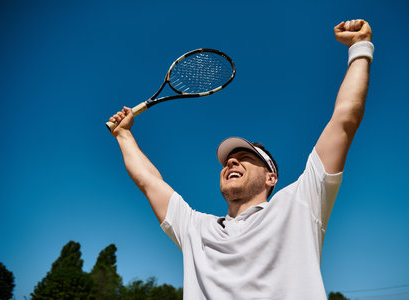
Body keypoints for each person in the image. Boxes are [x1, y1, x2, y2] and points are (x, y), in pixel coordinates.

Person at [108, 19, 373, 300]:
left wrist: (359, 47)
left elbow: (345, 120)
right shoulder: (196, 229)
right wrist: (123, 135)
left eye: (245, 157)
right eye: (227, 161)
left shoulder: (299, 204)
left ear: (272, 177)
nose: (231, 163)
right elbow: (149, 181)